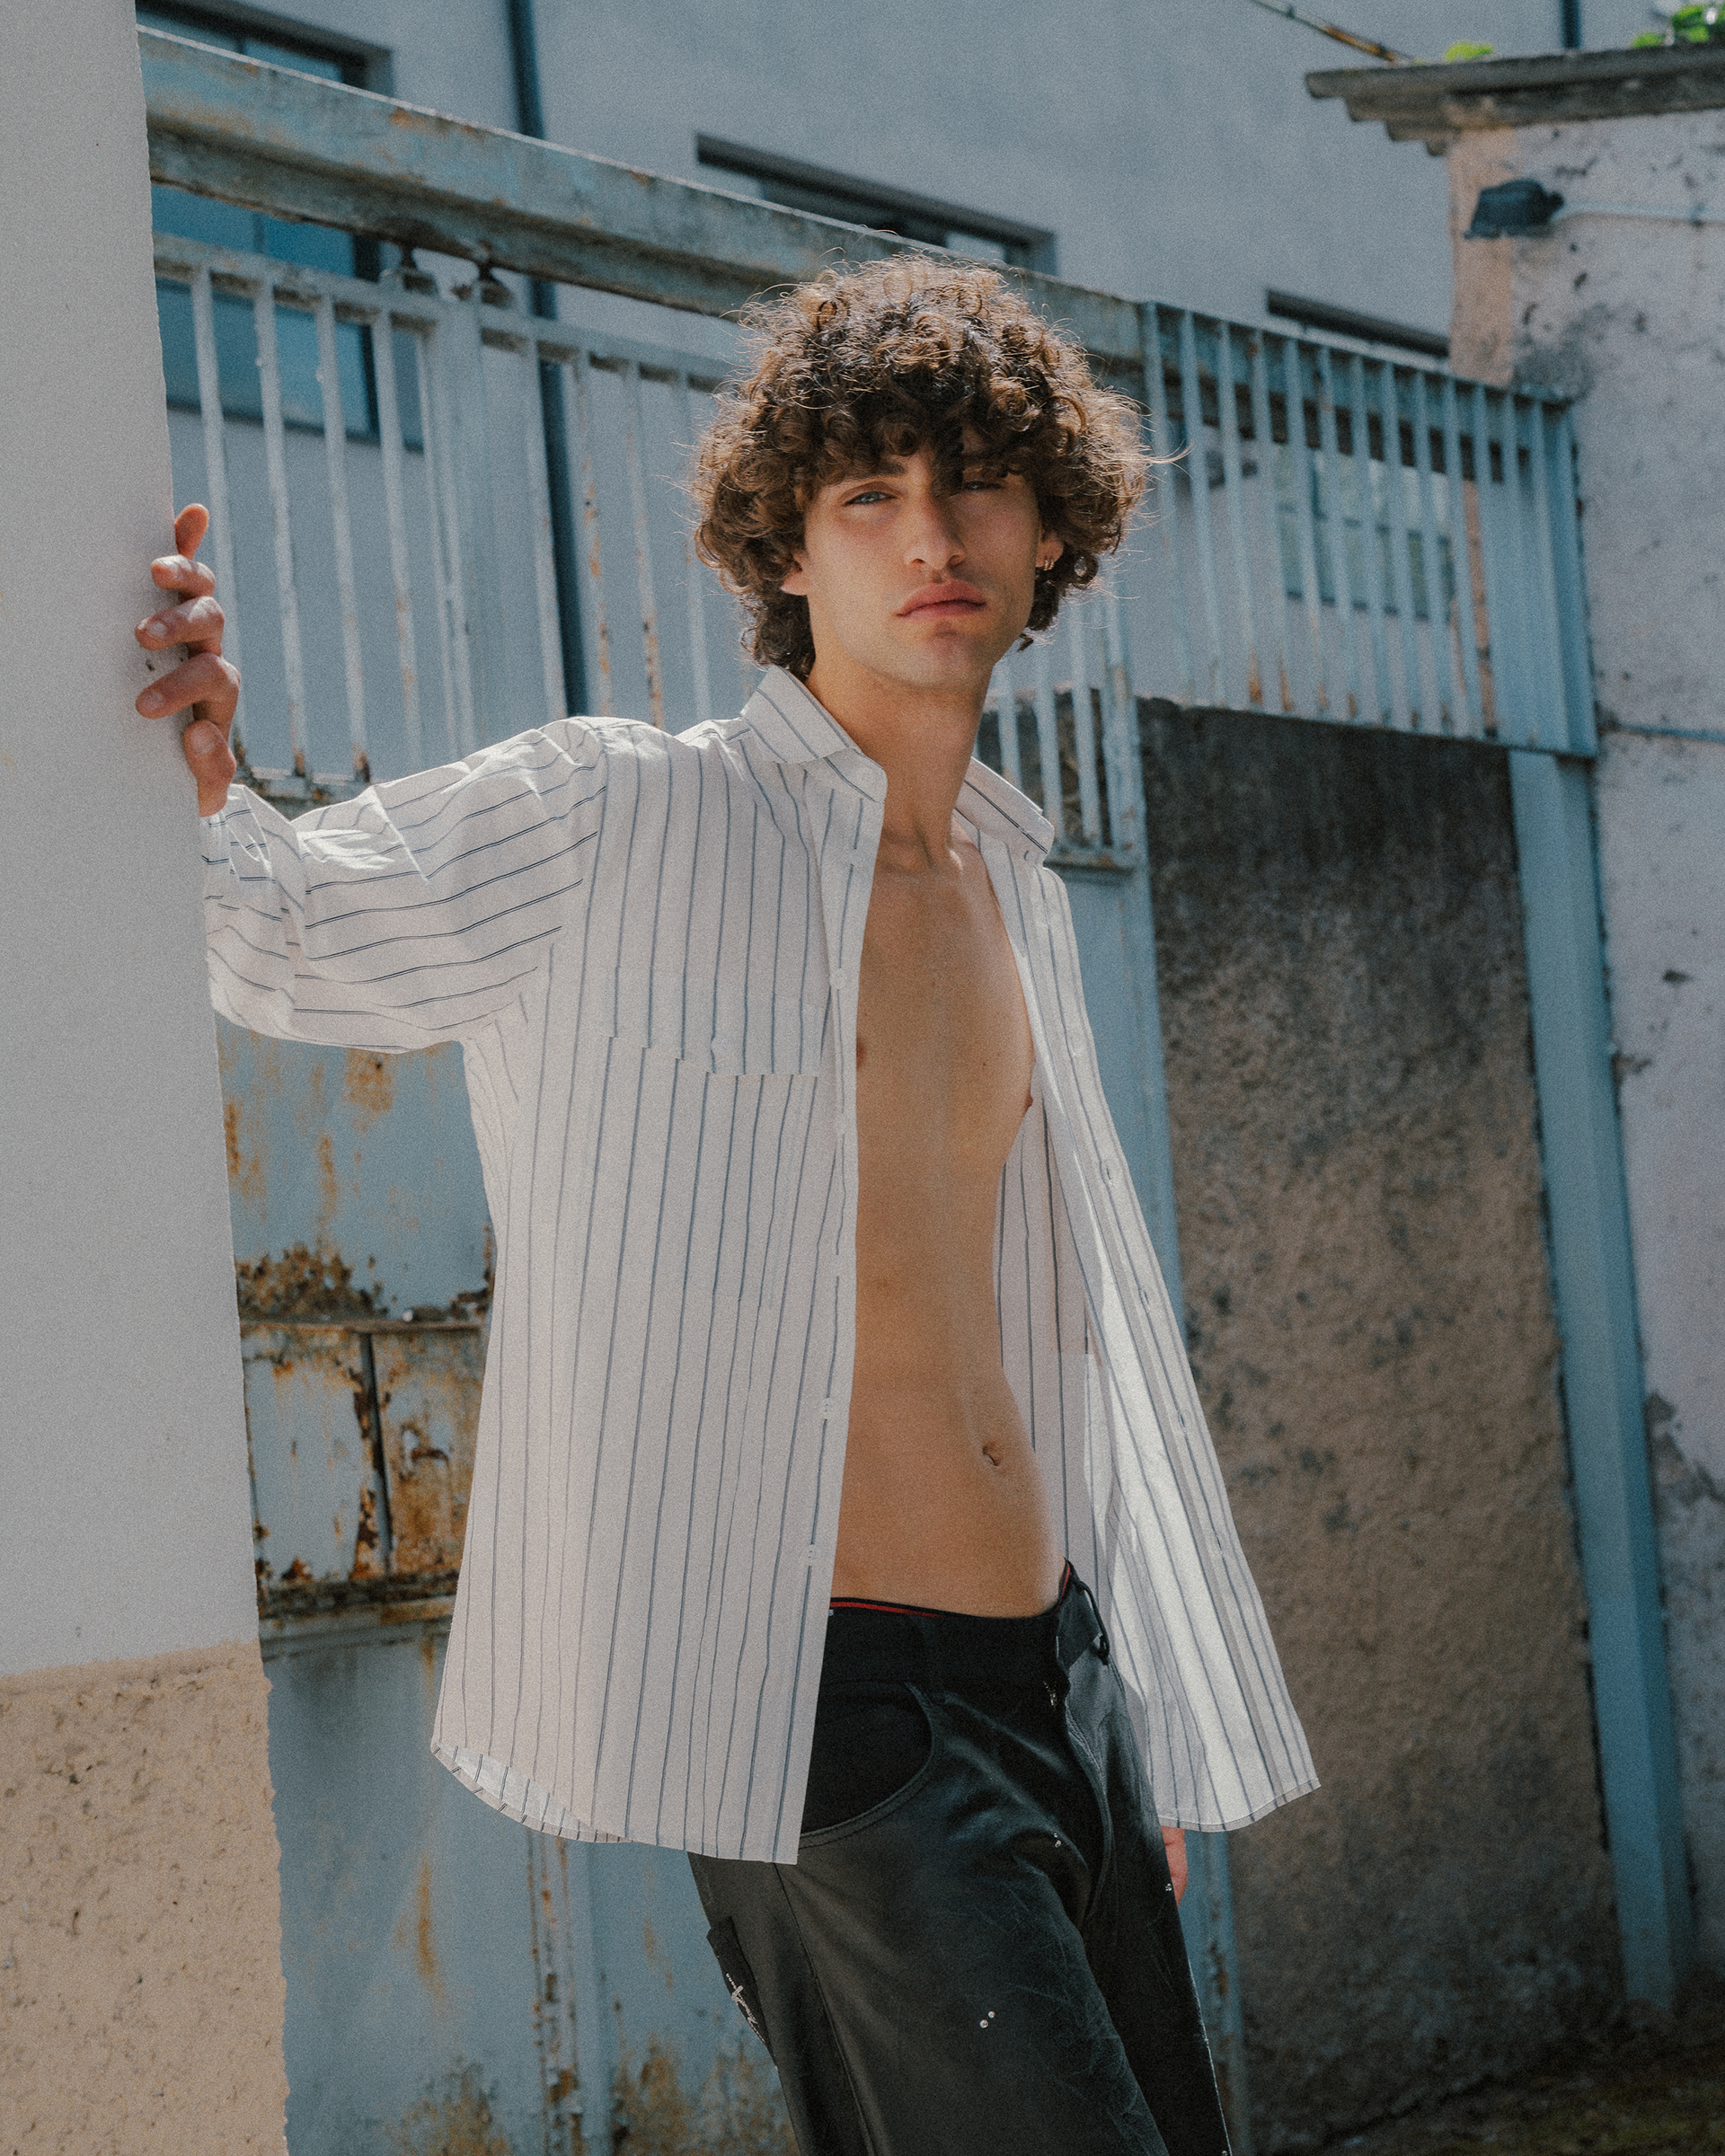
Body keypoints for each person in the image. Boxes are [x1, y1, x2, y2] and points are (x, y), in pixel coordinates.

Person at [136, 256, 1314, 2156]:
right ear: (786, 548)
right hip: (835, 1705)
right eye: (869, 494)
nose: (930, 536)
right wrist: (187, 760)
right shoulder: (623, 814)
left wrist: (1122, 1725)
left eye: (976, 484)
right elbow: (283, 928)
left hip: (1058, 1677)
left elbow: (1037, 1337)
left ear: (1052, 532)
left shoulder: (1014, 887)